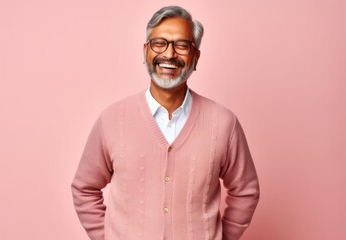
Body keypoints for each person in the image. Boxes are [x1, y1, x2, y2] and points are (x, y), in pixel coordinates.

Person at [71, 5, 260, 240]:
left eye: (181, 45)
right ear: (146, 51)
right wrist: (107, 236)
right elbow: (84, 188)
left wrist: (223, 237)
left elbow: (246, 190)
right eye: (159, 43)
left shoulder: (223, 123)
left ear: (196, 56)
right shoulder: (113, 120)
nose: (169, 55)